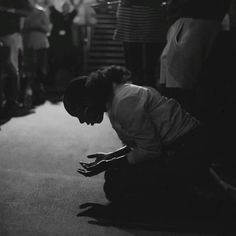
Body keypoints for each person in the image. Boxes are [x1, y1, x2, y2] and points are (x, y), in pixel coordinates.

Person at [63, 65, 212, 203]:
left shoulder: (123, 102)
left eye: (78, 115)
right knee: (115, 175)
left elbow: (150, 150)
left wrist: (108, 163)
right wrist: (110, 156)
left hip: (188, 151)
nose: (82, 122)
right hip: (181, 147)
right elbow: (141, 143)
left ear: (86, 106)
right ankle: (185, 186)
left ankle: (188, 192)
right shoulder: (115, 99)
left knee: (116, 185)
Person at [114, 0, 169, 88]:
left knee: (150, 71)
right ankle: (139, 97)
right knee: (134, 70)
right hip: (133, 16)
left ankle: (149, 97)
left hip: (150, 16)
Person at [0, 0, 31, 118]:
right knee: (9, 69)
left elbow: (27, 11)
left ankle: (12, 102)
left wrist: (10, 10)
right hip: (5, 34)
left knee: (12, 68)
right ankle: (10, 101)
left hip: (11, 34)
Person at [22, 0, 50, 108]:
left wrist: (36, 26)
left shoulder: (41, 12)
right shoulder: (25, 12)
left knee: (39, 69)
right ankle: (28, 95)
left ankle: (38, 93)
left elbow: (47, 28)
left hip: (40, 43)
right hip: (28, 43)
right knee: (29, 69)